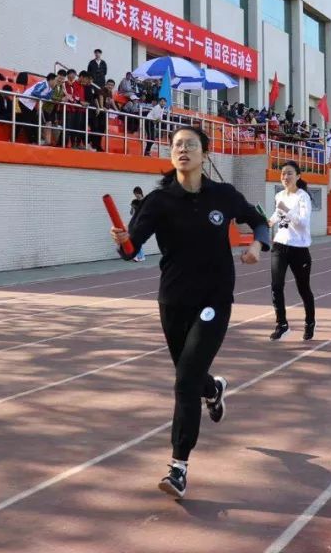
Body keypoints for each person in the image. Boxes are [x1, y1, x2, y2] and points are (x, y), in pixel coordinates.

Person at [110, 126, 270, 499]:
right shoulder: (158, 201)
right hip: (173, 300)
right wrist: (123, 243)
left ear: (204, 154)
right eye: (177, 146)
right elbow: (132, 250)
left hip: (214, 298)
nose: (183, 150)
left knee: (184, 381)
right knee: (192, 376)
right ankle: (213, 388)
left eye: (191, 145)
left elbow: (260, 221)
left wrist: (256, 247)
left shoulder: (223, 195)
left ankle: (178, 467)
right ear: (171, 155)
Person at [267, 161, 316, 342]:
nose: (285, 177)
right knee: (276, 286)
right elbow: (277, 214)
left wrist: (286, 210)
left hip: (299, 248)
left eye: (289, 173)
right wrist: (268, 222)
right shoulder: (279, 195)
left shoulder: (303, 197)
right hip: (280, 245)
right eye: (283, 173)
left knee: (303, 289)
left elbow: (303, 222)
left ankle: (310, 322)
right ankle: (282, 325)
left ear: (298, 176)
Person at [130, 186, 147, 263]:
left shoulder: (145, 201)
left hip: (142, 223)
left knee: (137, 239)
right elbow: (131, 213)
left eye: (136, 194)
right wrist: (132, 207)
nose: (136, 195)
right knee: (134, 239)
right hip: (135, 222)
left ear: (140, 193)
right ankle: (139, 256)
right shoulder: (134, 202)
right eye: (135, 194)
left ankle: (139, 256)